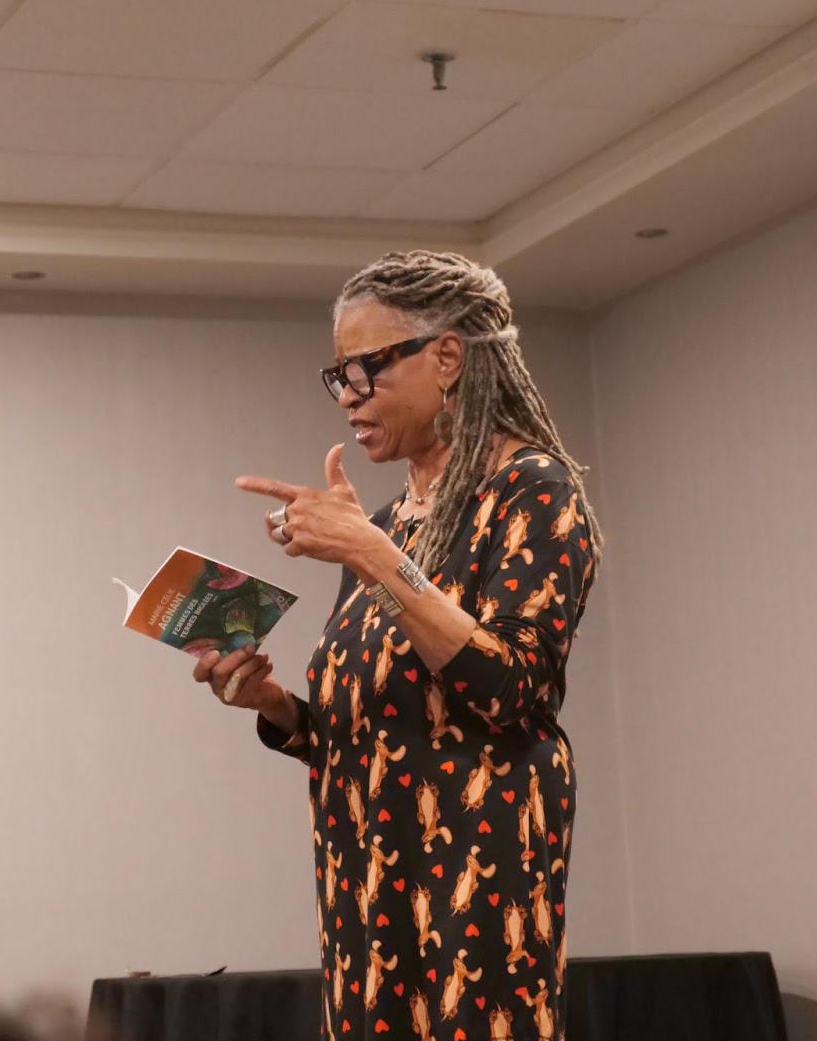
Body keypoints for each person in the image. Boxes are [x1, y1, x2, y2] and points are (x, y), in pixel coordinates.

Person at [194, 251, 602, 1041]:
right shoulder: (388, 528)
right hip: (369, 875)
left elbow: (508, 685)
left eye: (368, 368)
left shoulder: (533, 491)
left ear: (447, 357)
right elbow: (372, 725)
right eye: (338, 374)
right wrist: (272, 703)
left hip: (476, 875)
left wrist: (371, 556)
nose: (349, 395)